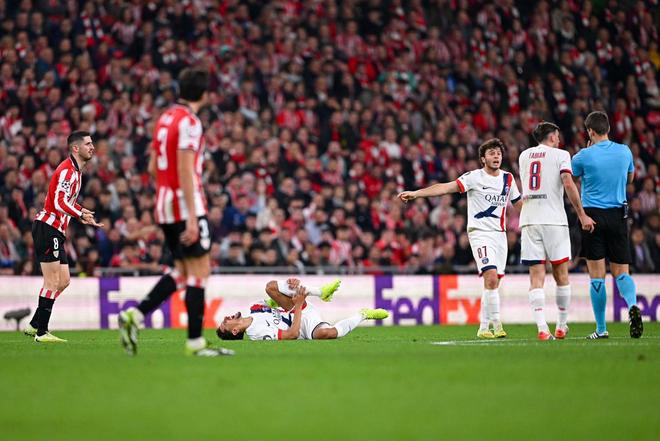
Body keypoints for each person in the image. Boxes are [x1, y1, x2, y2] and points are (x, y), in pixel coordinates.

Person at [118, 68, 232, 356]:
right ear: (204, 94)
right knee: (200, 271)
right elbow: (185, 169)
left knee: (182, 271)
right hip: (184, 205)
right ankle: (195, 343)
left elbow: (152, 167)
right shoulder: (190, 122)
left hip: (165, 204)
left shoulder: (165, 118)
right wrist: (191, 217)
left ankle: (135, 315)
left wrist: (167, 196)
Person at [398, 138, 522, 339]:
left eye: (498, 153)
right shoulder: (474, 177)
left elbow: (519, 204)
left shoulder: (508, 179)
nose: (496, 156)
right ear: (483, 159)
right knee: (491, 276)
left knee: (493, 282)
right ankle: (497, 325)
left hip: (500, 235)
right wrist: (417, 194)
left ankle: (484, 328)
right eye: (491, 153)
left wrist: (535, 220)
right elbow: (445, 188)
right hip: (479, 233)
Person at [24, 131, 103, 342]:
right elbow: (59, 203)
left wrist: (82, 212)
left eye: (92, 143)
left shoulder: (76, 172)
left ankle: (35, 324)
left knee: (64, 280)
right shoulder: (68, 171)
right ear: (75, 148)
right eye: (88, 144)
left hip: (56, 230)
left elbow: (66, 201)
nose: (92, 147)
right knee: (52, 281)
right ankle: (42, 333)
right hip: (48, 227)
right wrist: (78, 214)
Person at [518, 122, 595, 340]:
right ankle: (561, 325)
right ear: (552, 137)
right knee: (561, 274)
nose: (559, 140)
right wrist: (581, 214)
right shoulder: (561, 155)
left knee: (536, 276)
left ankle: (542, 328)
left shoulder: (524, 156)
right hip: (554, 220)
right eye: (557, 136)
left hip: (529, 220)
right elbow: (568, 183)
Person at [572, 111, 643, 339]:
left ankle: (601, 329)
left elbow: (570, 178)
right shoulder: (625, 151)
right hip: (618, 215)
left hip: (592, 217)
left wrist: (587, 152)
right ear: (609, 129)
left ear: (590, 131)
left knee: (597, 276)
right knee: (621, 272)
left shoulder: (583, 156)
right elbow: (630, 179)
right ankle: (632, 305)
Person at [216, 278, 388, 340]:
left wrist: (291, 285)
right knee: (326, 334)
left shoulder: (255, 308)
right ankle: (363, 314)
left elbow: (276, 297)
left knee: (270, 287)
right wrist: (298, 305)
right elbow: (292, 334)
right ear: (235, 331)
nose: (225, 318)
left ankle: (320, 292)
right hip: (301, 324)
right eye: (225, 324)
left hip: (297, 307)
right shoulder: (257, 334)